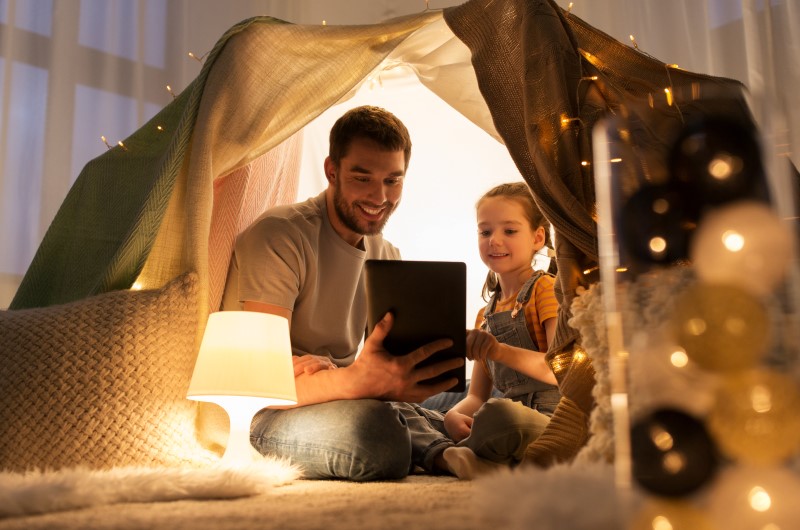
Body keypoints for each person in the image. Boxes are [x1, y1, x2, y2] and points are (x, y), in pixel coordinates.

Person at [220, 105, 463, 481]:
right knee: (376, 435)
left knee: (471, 397)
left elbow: (377, 367)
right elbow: (263, 380)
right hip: (270, 410)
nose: (380, 197)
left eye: (393, 181)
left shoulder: (386, 253)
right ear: (332, 171)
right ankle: (437, 440)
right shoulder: (280, 236)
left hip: (345, 393)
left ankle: (437, 431)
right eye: (363, 178)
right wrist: (356, 380)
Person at [440, 181, 562, 478]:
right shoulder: (485, 315)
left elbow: (559, 369)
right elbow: (477, 397)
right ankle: (479, 454)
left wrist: (498, 350)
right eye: (485, 232)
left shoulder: (546, 289)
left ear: (537, 238)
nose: (494, 240)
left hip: (552, 420)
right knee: (422, 413)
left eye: (509, 231)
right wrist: (453, 417)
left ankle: (467, 455)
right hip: (504, 412)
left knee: (500, 415)